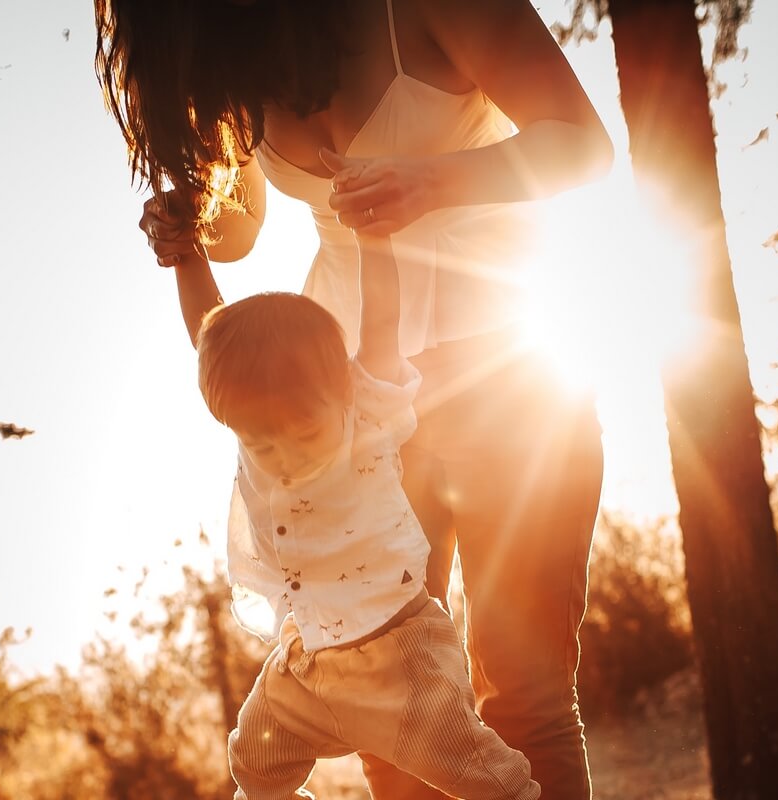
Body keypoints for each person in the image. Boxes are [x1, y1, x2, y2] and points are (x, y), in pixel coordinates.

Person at [101, 0, 611, 796]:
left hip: (507, 375)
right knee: (386, 710)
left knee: (527, 693)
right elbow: (243, 223)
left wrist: (430, 183)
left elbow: (582, 142)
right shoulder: (249, 49)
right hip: (350, 406)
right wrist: (188, 227)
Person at [166, 215, 538, 799]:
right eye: (261, 441)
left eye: (304, 432)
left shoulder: (368, 412)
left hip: (400, 661)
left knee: (483, 776)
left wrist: (373, 235)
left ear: (342, 388)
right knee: (254, 768)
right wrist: (187, 252)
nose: (282, 454)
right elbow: (208, 334)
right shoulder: (255, 415)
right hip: (306, 665)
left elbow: (384, 321)